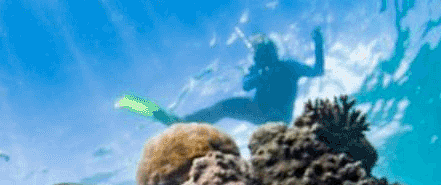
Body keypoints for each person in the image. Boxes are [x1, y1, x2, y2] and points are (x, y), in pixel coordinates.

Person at [118, 28, 324, 127]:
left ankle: (182, 122)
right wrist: (259, 76)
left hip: (279, 117)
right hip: (258, 110)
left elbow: (317, 71)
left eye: (263, 50)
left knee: (226, 107)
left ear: (273, 51)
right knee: (223, 107)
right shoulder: (258, 70)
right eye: (258, 53)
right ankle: (181, 122)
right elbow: (245, 85)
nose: (261, 57)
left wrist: (318, 44)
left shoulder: (289, 66)